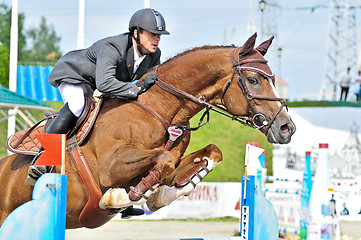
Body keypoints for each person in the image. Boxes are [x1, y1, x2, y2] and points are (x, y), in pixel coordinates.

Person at [26, 8, 169, 184]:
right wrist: (136, 90)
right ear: (136, 32)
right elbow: (105, 84)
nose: (157, 39)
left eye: (159, 35)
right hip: (75, 75)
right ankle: (43, 158)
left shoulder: (155, 55)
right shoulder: (114, 47)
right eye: (152, 34)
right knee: (78, 105)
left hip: (99, 83)